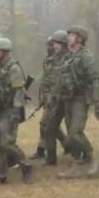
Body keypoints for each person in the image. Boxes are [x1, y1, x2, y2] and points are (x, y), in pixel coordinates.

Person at [57, 25, 99, 179]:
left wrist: (98, 103)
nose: (68, 37)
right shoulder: (67, 57)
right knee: (71, 135)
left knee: (75, 132)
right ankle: (78, 161)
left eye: (71, 35)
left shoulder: (86, 57)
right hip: (68, 99)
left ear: (79, 39)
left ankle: (91, 157)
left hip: (81, 99)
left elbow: (96, 80)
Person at [0, 37, 33, 184]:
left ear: (4, 51)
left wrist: (16, 112)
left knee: (7, 143)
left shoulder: (14, 68)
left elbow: (19, 91)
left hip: (10, 110)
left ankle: (26, 165)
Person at [33, 31, 68, 165]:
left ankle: (67, 147)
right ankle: (51, 150)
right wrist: (43, 96)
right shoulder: (47, 60)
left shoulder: (64, 59)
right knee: (47, 124)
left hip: (61, 97)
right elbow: (46, 79)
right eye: (48, 45)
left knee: (49, 124)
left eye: (52, 44)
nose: (50, 47)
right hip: (50, 97)